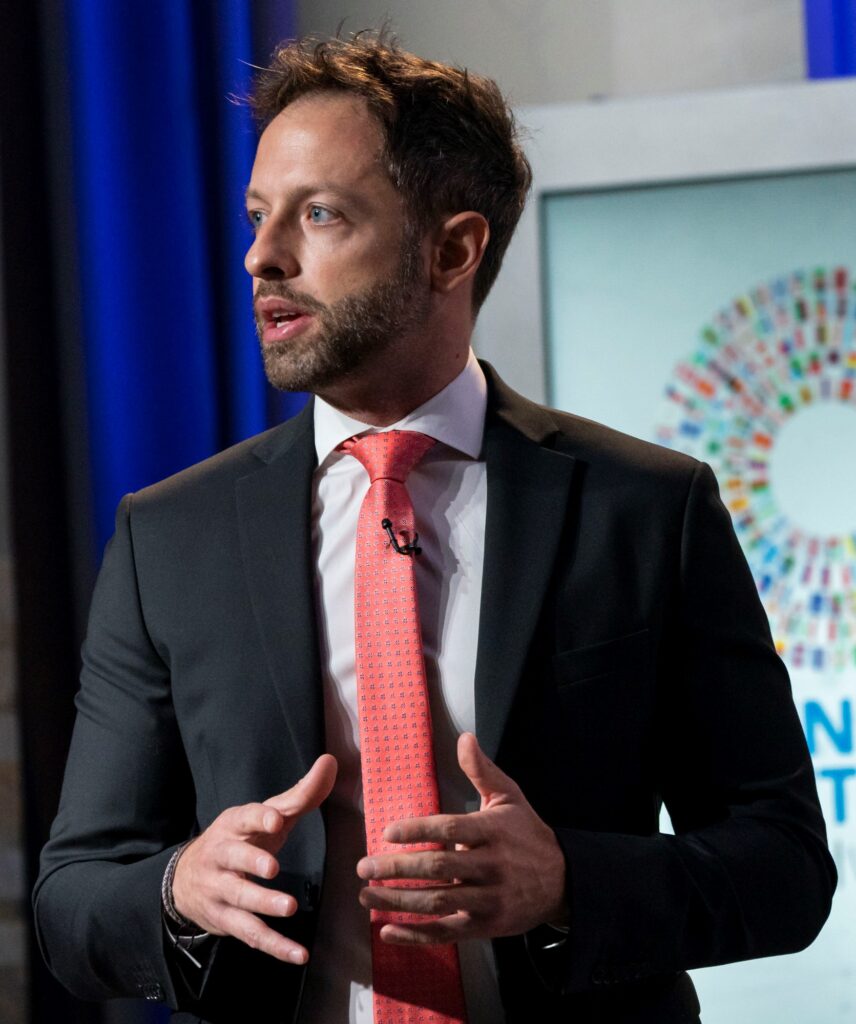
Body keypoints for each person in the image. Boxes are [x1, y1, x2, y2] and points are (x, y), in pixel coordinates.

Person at [34, 31, 835, 1024]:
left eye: (319, 214)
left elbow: (785, 866)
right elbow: (72, 900)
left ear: (452, 249)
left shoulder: (645, 508)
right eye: (256, 215)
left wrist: (567, 882)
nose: (261, 256)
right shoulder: (168, 537)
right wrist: (180, 888)